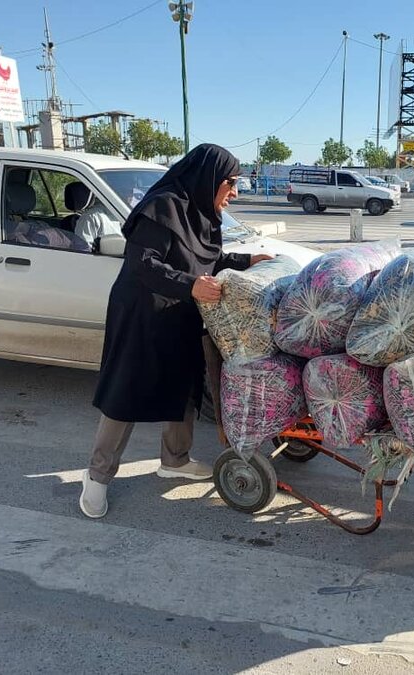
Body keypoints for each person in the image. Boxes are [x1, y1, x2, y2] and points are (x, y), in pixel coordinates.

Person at [79, 143, 272, 519]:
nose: (234, 191)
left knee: (183, 386)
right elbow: (143, 265)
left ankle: (175, 460)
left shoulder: (200, 212)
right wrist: (190, 285)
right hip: (142, 313)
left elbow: (206, 259)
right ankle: (97, 476)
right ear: (209, 177)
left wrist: (247, 261)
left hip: (181, 311)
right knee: (126, 393)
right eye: (230, 182)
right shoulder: (163, 207)